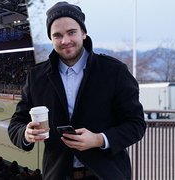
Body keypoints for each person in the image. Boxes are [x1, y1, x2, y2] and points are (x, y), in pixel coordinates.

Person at [8, 2, 146, 180]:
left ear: (84, 33)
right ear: (51, 38)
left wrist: (99, 139)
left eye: (71, 32)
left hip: (107, 174)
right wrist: (25, 133)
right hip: (58, 174)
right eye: (57, 35)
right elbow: (16, 124)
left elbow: (136, 124)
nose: (65, 41)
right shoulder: (36, 77)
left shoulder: (114, 71)